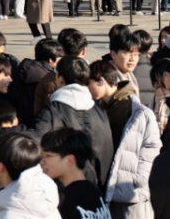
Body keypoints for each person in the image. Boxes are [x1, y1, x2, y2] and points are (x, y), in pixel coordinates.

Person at [86, 61, 161, 219]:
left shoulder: (137, 111)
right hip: (108, 184)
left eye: (89, 83)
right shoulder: (99, 108)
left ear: (101, 81)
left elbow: (151, 148)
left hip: (132, 186)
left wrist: (140, 179)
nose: (88, 89)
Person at [31, 57, 114, 189]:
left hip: (62, 192)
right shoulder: (100, 112)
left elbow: (35, 149)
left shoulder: (51, 111)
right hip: (98, 189)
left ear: (60, 78)